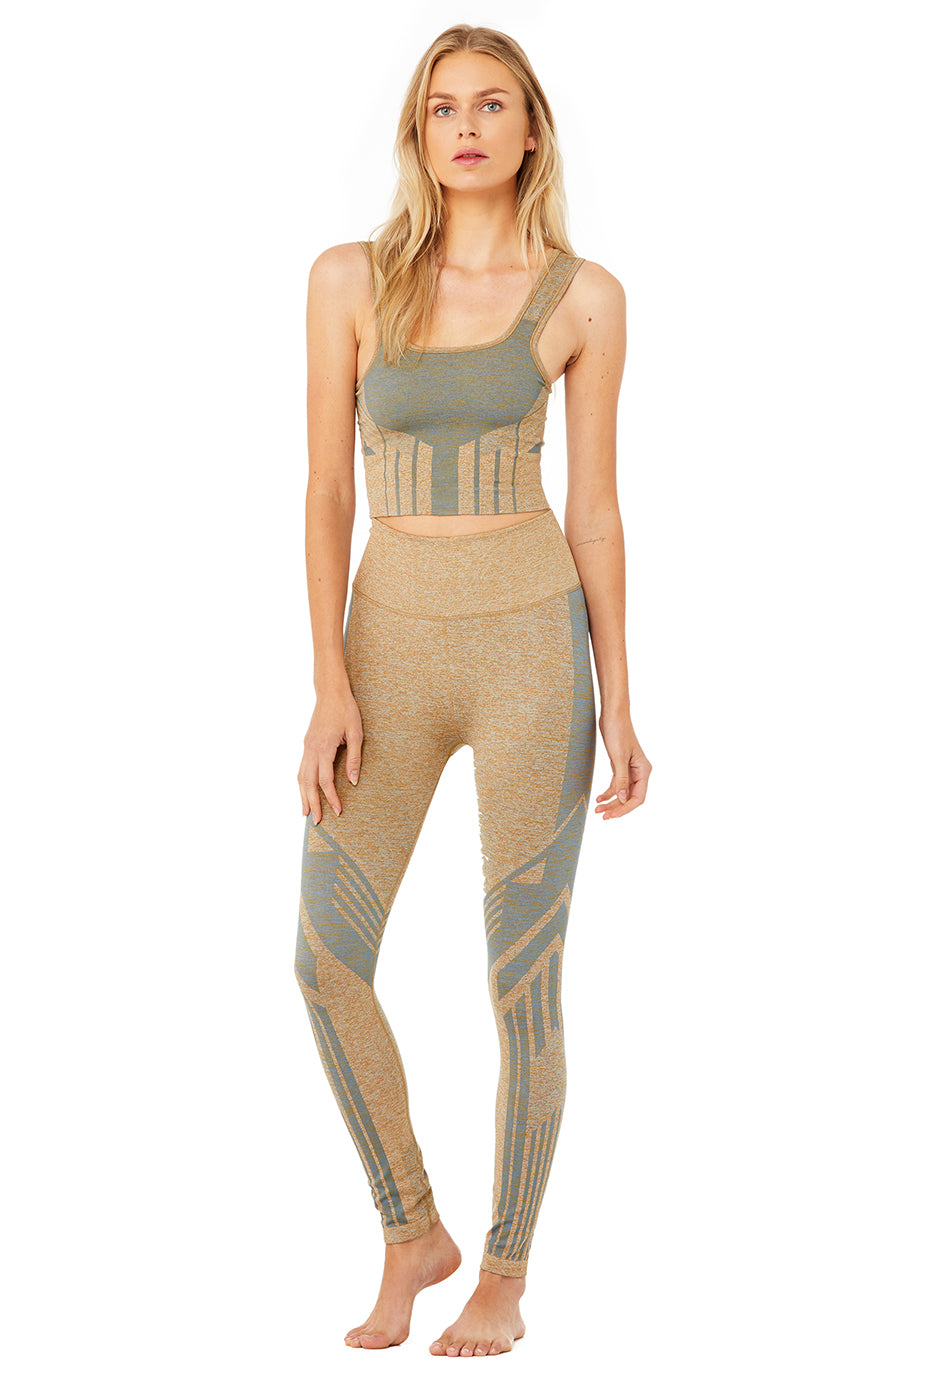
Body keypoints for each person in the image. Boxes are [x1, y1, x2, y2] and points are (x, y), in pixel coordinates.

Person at [294, 23, 651, 1357]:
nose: (465, 127)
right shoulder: (349, 279)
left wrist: (621, 702)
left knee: (523, 983)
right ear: (418, 131)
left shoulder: (584, 298)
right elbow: (325, 492)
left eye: (491, 105)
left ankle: (503, 1271)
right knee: (323, 959)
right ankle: (412, 1231)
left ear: (530, 129)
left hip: (530, 654)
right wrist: (327, 678)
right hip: (385, 644)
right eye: (443, 107)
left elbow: (597, 511)